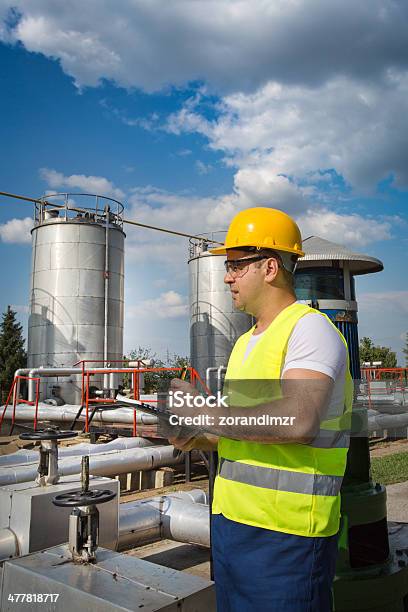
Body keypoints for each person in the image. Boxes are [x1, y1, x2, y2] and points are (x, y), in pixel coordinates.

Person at [169, 207, 352, 611]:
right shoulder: (245, 343)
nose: (227, 276)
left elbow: (298, 420)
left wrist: (206, 414)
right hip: (232, 528)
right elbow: (243, 430)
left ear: (270, 267)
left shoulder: (310, 329)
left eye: (236, 265)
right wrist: (189, 434)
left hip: (288, 538)